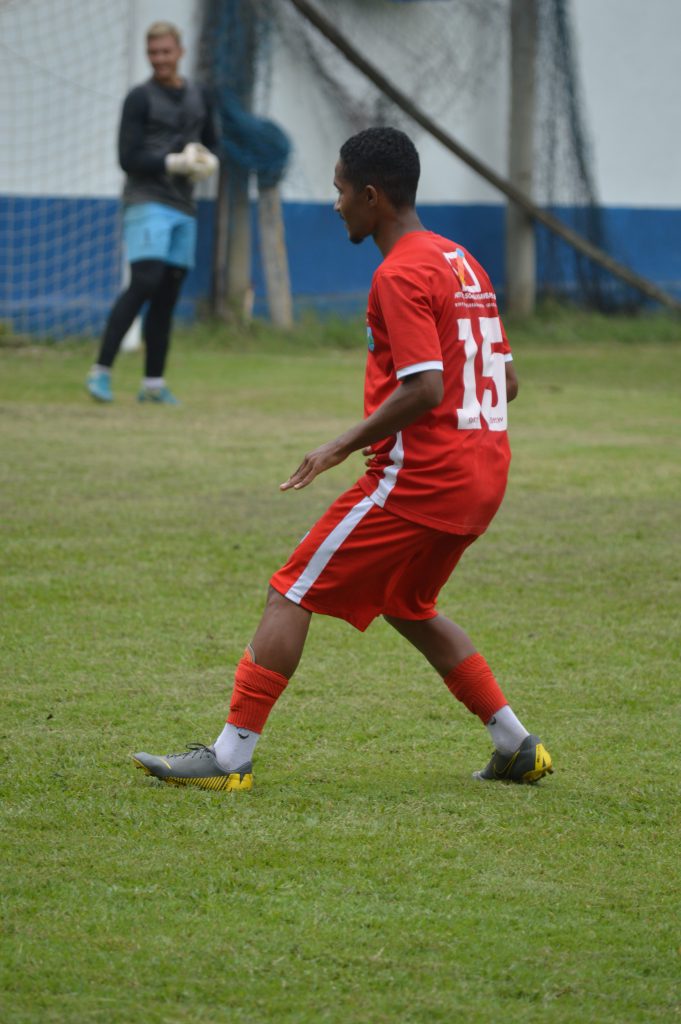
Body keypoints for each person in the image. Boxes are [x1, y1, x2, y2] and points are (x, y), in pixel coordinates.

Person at [133, 126, 553, 790]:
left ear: (371, 196)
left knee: (290, 590)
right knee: (408, 605)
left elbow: (424, 389)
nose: (333, 205)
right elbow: (505, 382)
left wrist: (336, 446)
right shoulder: (460, 261)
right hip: (482, 478)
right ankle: (516, 744)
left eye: (337, 192)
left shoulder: (399, 272)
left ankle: (228, 758)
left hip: (420, 482)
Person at [86, 21, 219, 405]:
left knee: (168, 294)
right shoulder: (139, 98)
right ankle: (101, 372)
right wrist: (172, 162)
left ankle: (153, 385)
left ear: (180, 52)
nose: (160, 59)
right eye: (153, 53)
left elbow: (213, 142)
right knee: (144, 281)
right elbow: (127, 158)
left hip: (184, 207)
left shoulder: (200, 94)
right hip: (147, 200)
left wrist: (205, 159)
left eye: (166, 51)